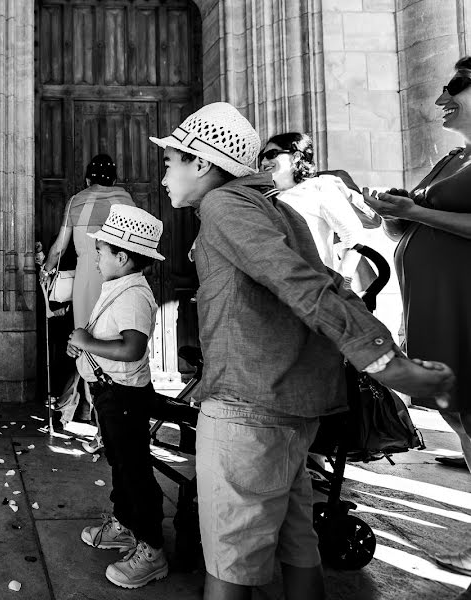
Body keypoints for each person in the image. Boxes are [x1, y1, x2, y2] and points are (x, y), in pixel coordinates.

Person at [150, 102, 455, 600]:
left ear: (201, 163)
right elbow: (328, 283)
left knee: (231, 559)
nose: (164, 175)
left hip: (248, 406)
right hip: (292, 404)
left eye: (170, 162)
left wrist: (383, 359)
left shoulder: (224, 206)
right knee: (298, 543)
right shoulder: (277, 208)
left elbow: (299, 284)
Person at [361, 57, 471, 577]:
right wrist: (393, 215)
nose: (441, 100)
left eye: (456, 88)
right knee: (458, 413)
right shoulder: (453, 157)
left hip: (465, 305)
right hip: (433, 305)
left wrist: (418, 212)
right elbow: (410, 231)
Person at [67, 204, 166, 589]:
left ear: (122, 257)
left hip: (123, 396)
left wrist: (88, 340)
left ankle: (152, 549)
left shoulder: (134, 295)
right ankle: (125, 524)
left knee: (134, 470)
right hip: (109, 394)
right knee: (120, 463)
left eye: (101, 252)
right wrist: (85, 347)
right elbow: (109, 338)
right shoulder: (120, 286)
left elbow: (131, 348)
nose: (95, 258)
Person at [38, 154, 136, 447]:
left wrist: (45, 271)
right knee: (115, 346)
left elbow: (58, 248)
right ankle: (106, 425)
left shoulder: (76, 202)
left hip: (85, 284)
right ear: (115, 180)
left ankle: (95, 415)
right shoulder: (127, 202)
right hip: (119, 281)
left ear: (87, 179)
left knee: (87, 347)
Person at [260, 132, 369, 283]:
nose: (264, 161)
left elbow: (353, 234)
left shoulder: (318, 187)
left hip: (313, 290)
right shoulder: (264, 197)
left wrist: (344, 282)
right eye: (262, 156)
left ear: (296, 157)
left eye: (272, 154)